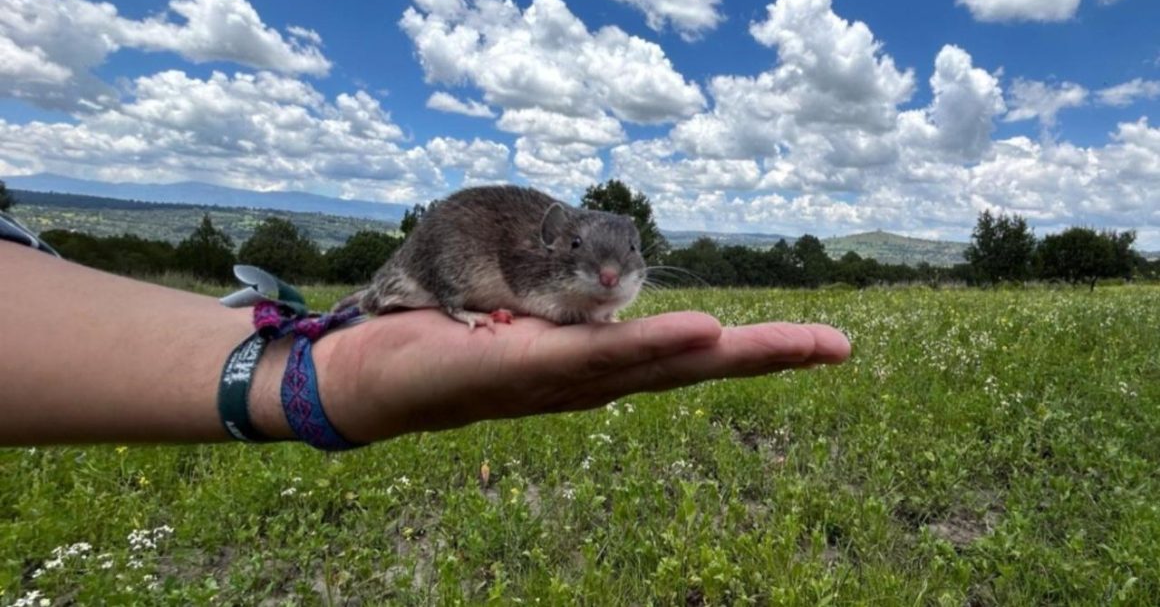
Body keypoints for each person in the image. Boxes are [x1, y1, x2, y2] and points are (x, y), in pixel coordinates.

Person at [0, 218, 851, 448]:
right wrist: (468, 313)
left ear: (633, 255)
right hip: (446, 272)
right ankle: (442, 307)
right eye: (595, 265)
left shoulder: (609, 263)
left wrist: (301, 375)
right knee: (459, 285)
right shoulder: (534, 262)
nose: (609, 280)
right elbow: (550, 300)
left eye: (623, 267)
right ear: (567, 246)